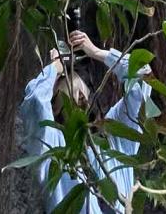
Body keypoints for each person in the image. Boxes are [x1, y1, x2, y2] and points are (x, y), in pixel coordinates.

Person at [20, 29, 151, 213]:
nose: (80, 93)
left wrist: (97, 52)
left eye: (82, 85)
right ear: (55, 106)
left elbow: (142, 76)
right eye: (69, 84)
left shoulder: (115, 136)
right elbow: (35, 103)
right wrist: (54, 69)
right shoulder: (50, 144)